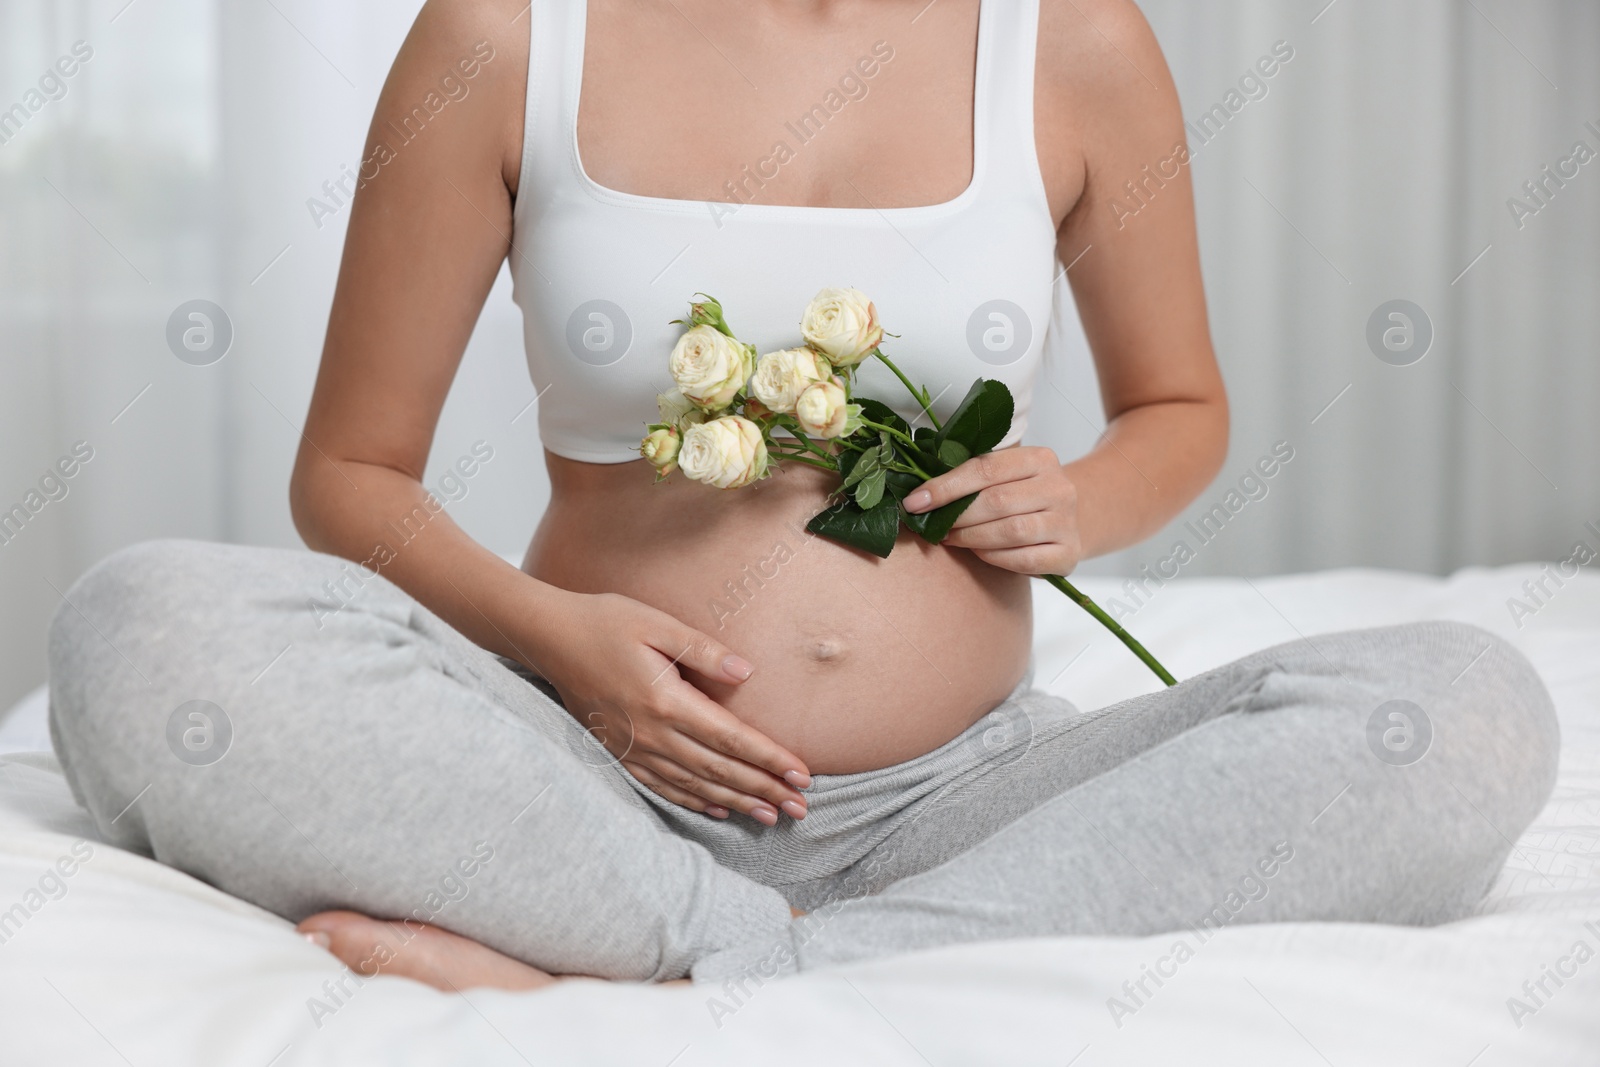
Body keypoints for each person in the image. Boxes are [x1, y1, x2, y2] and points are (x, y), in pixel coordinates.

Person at [47, 0, 1558, 992]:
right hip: (574, 777)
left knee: (1465, 709)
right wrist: (571, 646)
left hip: (970, 807)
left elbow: (1183, 411)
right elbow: (349, 475)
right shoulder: (507, 38)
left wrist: (1085, 500)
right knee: (141, 624)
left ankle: (714, 957)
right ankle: (728, 932)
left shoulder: (1074, 45)